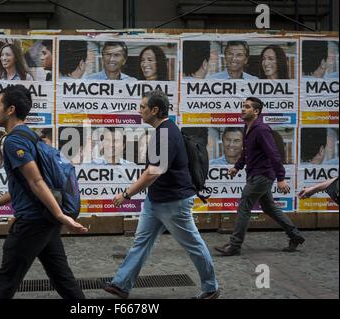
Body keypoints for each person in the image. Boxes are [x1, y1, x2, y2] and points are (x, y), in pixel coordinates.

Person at [102, 90, 219, 299]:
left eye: (143, 107)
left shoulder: (165, 134)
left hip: (174, 203)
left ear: (154, 110)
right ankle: (121, 284)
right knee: (141, 242)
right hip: (156, 200)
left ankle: (211, 288)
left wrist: (126, 195)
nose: (139, 111)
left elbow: (153, 172)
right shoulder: (164, 131)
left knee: (193, 244)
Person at [0, 84, 87, 299]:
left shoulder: (14, 140)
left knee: (6, 280)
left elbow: (36, 181)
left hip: (33, 221)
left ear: (11, 110)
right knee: (62, 278)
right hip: (45, 219)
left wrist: (60, 216)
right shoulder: (30, 136)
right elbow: (29, 185)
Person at [214, 97, 305, 256]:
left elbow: (273, 154)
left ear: (256, 111)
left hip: (262, 176)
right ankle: (295, 236)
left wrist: (281, 178)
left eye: (247, 107)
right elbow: (247, 152)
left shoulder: (262, 129)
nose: (243, 109)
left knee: (244, 205)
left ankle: (234, 245)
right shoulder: (247, 127)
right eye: (242, 106)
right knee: (270, 207)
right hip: (255, 174)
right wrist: (237, 167)